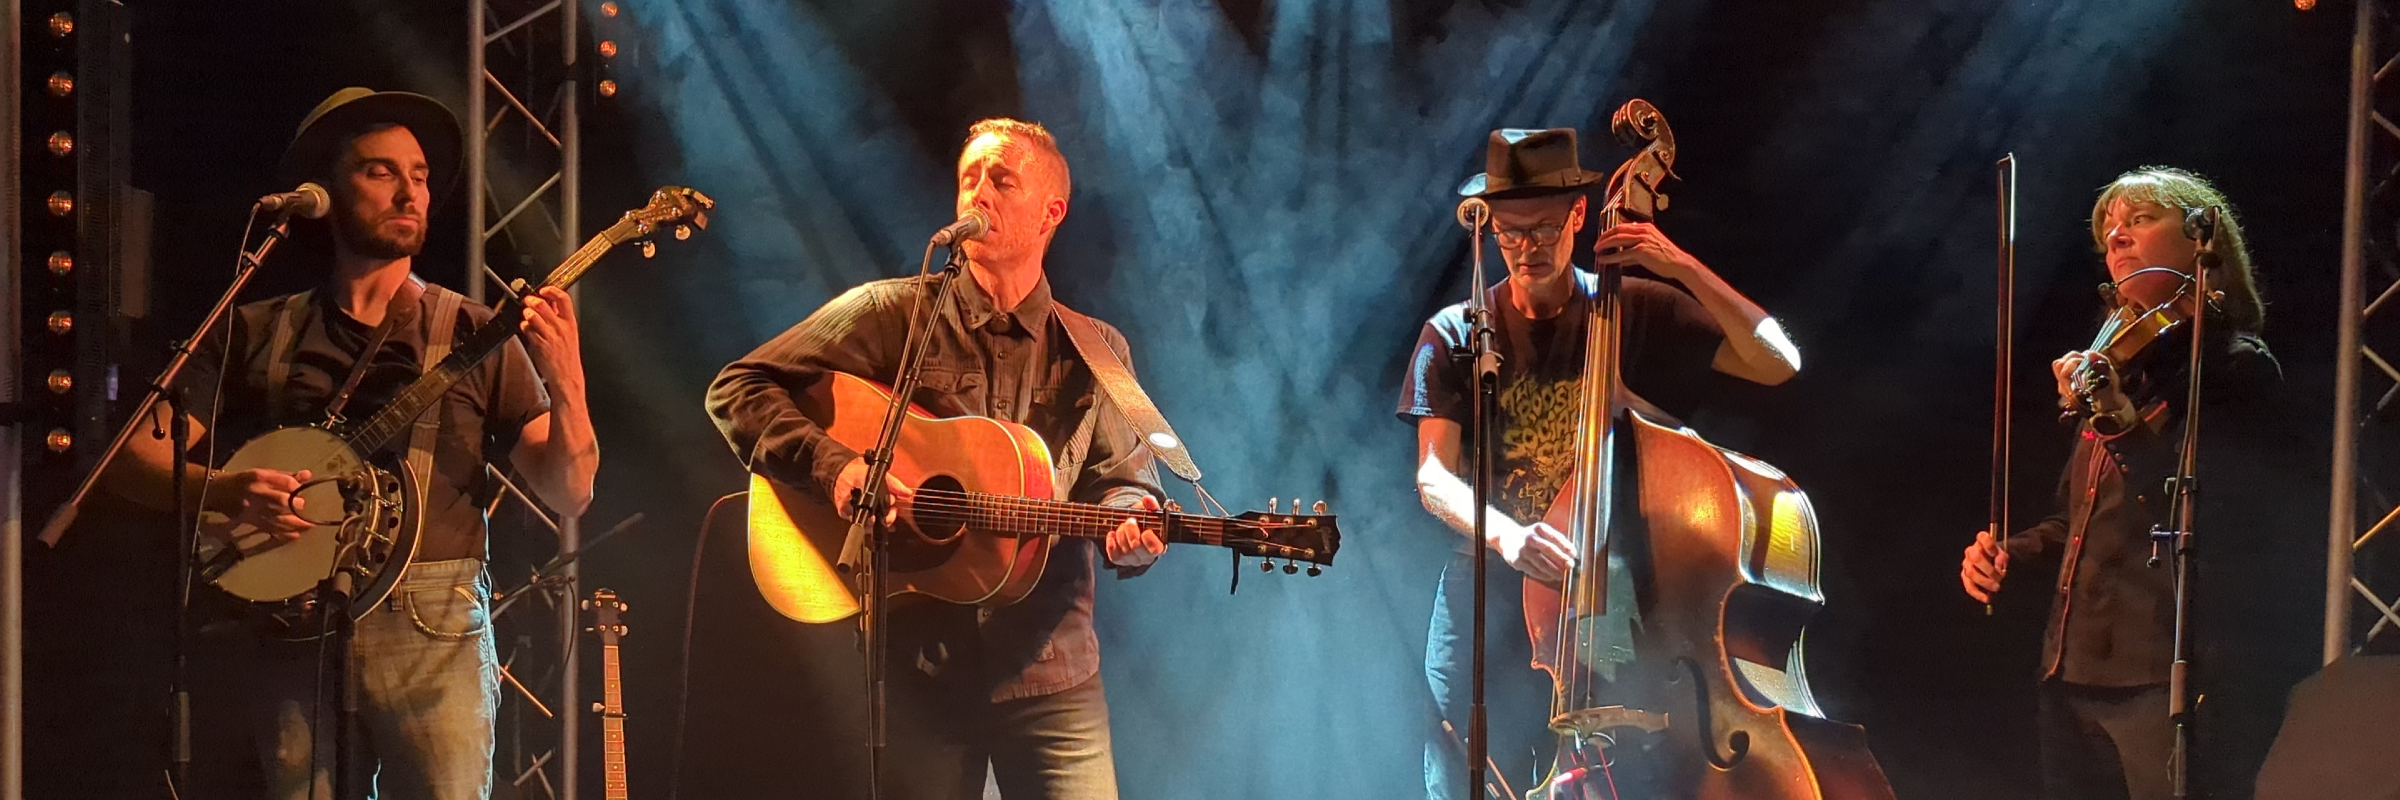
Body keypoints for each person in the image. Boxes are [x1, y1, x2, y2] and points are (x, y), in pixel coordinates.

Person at [103, 88, 599, 800]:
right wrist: (222, 490)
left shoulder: (474, 333)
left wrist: (569, 380)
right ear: (325, 192)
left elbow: (570, 490)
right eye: (380, 171)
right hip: (291, 629)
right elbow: (130, 458)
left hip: (434, 629)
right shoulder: (256, 328)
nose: (411, 191)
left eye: (421, 175)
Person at [706, 117, 1167, 799]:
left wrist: (1135, 528)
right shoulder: (891, 314)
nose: (977, 193)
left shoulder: (1096, 350)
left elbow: (1124, 485)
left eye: (1001, 179)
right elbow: (737, 387)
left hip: (1051, 674)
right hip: (917, 672)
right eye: (967, 178)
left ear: (1051, 212)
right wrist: (837, 468)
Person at [1397, 127, 1801, 799]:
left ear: (1580, 215)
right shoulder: (1455, 333)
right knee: (1463, 776)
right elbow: (1432, 477)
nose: (1526, 248)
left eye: (1544, 229)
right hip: (1487, 594)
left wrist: (1677, 265)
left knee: (1600, 774)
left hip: (1607, 600)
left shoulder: (1631, 307)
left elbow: (1779, 361)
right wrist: (1508, 534)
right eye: (1510, 232)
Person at [1959, 166, 2280, 800]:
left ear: (2200, 241)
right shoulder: (2119, 371)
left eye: (2140, 220)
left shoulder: (2235, 366)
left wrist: (2118, 419)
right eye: (2109, 229)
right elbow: (2073, 522)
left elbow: (2203, 504)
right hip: (2069, 667)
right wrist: (2008, 552)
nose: (2118, 237)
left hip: (2160, 674)